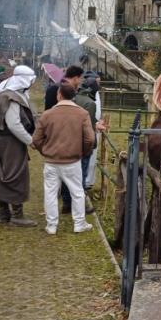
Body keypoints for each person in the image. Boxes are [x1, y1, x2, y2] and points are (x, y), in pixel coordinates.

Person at [31, 83, 95, 235]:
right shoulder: (82, 114)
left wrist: (44, 151)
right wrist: (82, 152)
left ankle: (51, 225)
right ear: (73, 95)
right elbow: (90, 139)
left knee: (50, 193)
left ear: (59, 94)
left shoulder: (47, 114)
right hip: (72, 160)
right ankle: (79, 223)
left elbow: (36, 139)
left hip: (51, 161)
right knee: (77, 192)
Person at [0, 65, 38, 227]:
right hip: (11, 142)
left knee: (4, 174)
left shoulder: (8, 94)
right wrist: (30, 140)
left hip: (4, 141)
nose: (32, 83)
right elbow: (14, 124)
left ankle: (4, 214)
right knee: (15, 175)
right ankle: (16, 216)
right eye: (30, 80)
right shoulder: (11, 97)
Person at [58, 67, 98, 214]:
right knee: (80, 176)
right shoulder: (90, 103)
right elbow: (89, 128)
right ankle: (79, 206)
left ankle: (66, 204)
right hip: (81, 145)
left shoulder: (72, 98)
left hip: (68, 142)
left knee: (66, 175)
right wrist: (90, 146)